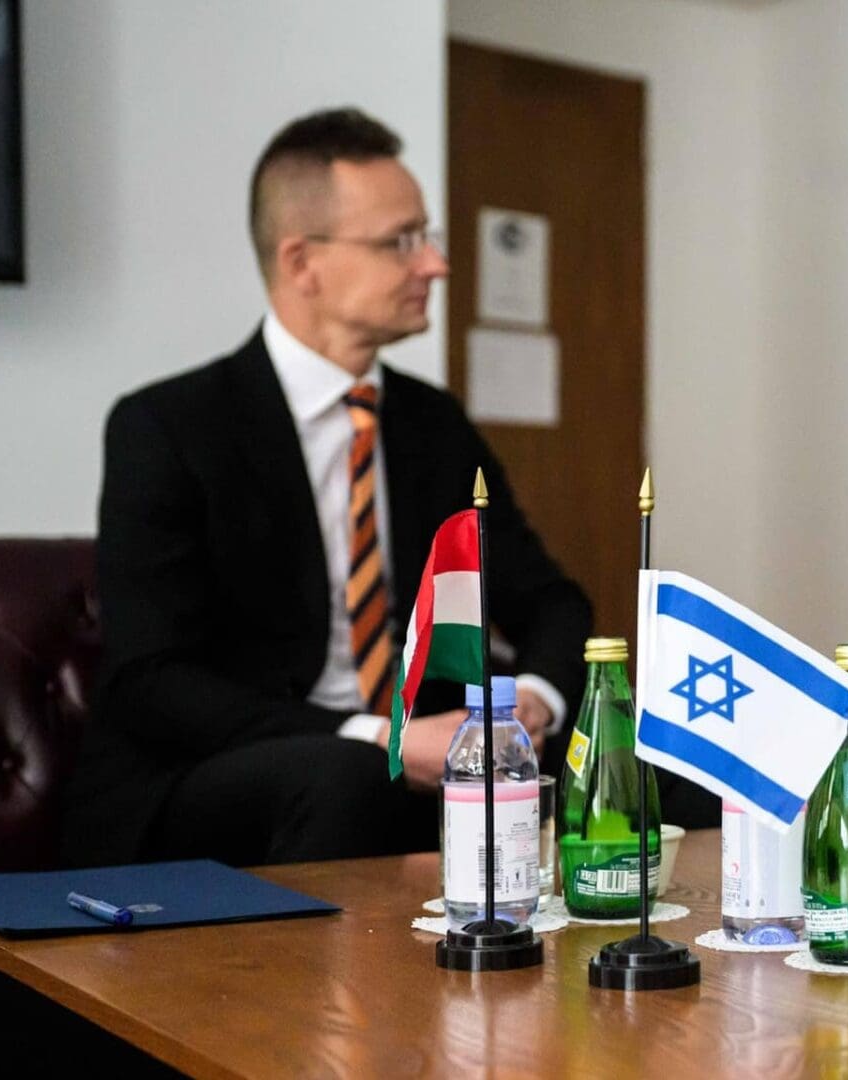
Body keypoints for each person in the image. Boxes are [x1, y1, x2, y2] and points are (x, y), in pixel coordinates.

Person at [63, 108, 711, 868]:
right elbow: (154, 682)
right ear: (302, 261)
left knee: (663, 763)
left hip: (422, 740)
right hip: (213, 774)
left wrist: (533, 699)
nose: (435, 264)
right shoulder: (168, 427)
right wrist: (383, 737)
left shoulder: (431, 424)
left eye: (426, 237)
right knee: (351, 777)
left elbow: (549, 598)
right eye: (402, 242)